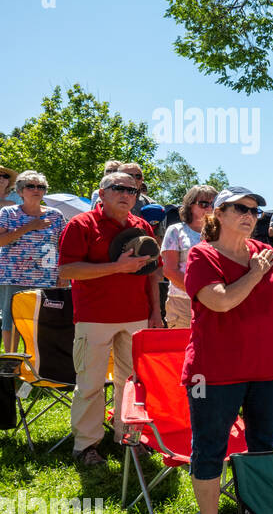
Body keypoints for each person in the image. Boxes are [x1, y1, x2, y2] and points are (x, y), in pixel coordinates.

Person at [183, 187, 273, 514]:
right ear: (219, 212)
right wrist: (253, 273)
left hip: (269, 368)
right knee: (210, 449)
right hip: (215, 372)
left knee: (265, 445)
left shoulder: (265, 255)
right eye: (241, 208)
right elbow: (220, 301)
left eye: (255, 210)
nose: (251, 215)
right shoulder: (202, 254)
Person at [58, 171, 163, 467]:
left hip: (137, 317)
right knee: (90, 383)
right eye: (119, 188)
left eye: (133, 190)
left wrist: (156, 312)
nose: (127, 194)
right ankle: (86, 446)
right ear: (102, 194)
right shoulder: (81, 224)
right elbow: (67, 271)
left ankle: (129, 437)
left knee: (131, 383)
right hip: (94, 317)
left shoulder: (142, 225)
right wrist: (116, 268)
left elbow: (152, 272)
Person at [0, 170, 65, 352]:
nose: (36, 190)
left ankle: (38, 363)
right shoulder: (8, 213)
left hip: (47, 279)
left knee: (44, 322)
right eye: (30, 186)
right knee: (11, 321)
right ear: (20, 192)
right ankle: (12, 361)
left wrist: (63, 274)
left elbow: (64, 247)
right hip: (13, 277)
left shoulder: (56, 215)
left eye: (40, 186)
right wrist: (29, 227)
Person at [159, 185, 216, 329]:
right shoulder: (176, 231)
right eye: (203, 203)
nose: (209, 208)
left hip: (216, 303)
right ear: (190, 205)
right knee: (183, 350)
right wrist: (201, 293)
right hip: (182, 303)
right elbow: (169, 270)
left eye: (213, 204)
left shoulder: (221, 234)